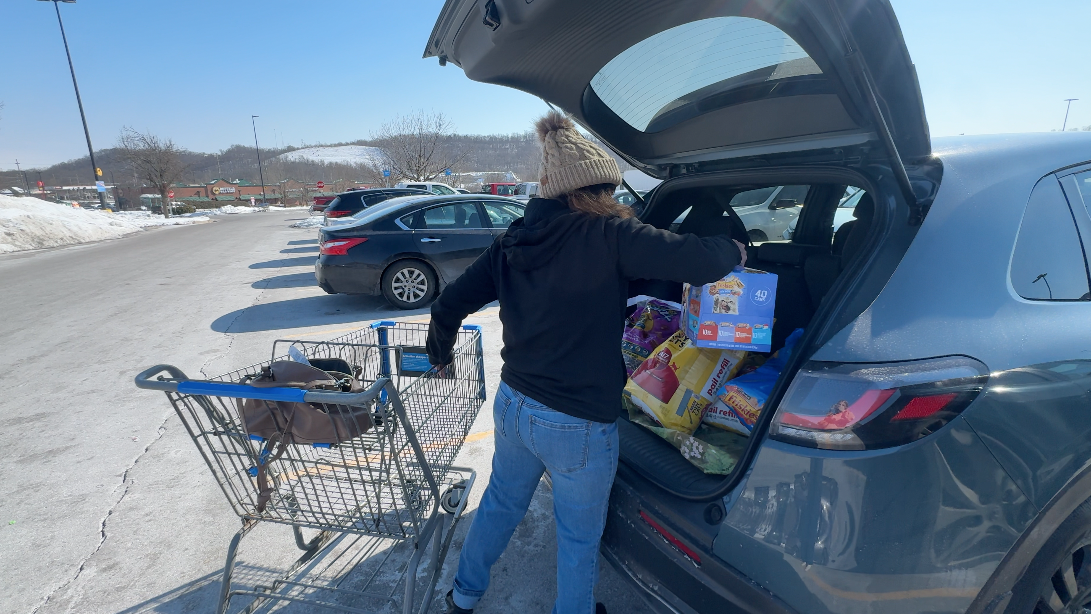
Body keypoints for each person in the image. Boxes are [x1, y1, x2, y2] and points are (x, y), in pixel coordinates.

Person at [427, 111, 746, 614]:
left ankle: (463, 596)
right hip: (576, 422)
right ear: (593, 190)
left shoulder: (511, 242)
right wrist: (734, 249)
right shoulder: (609, 236)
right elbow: (701, 259)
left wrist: (440, 354)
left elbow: (447, 304)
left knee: (501, 502)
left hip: (514, 405)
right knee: (577, 535)